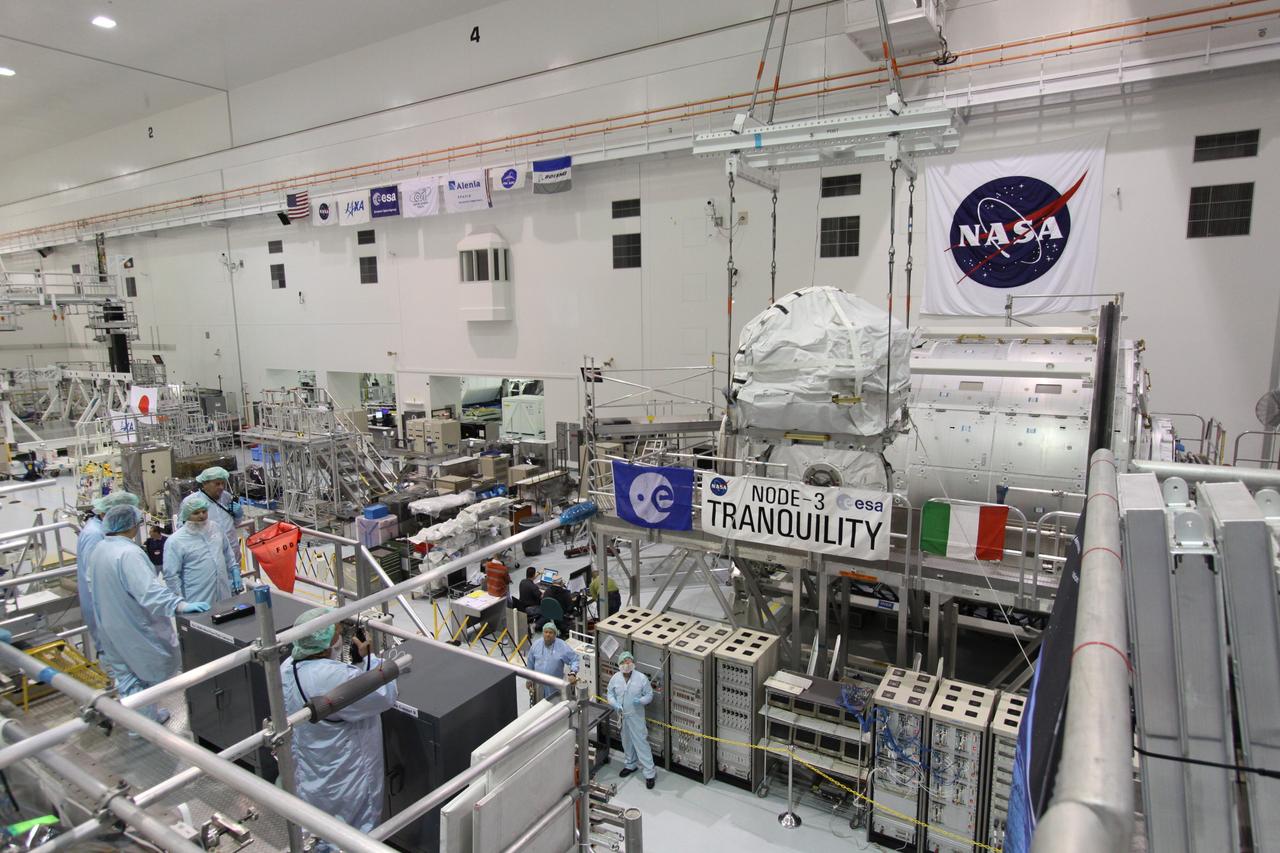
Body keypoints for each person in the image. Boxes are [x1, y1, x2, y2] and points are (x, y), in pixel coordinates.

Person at [281, 607, 398, 849]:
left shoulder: (286, 666)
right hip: (344, 775)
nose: (339, 639)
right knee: (351, 836)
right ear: (325, 643)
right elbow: (383, 694)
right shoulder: (335, 677)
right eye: (336, 634)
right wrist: (370, 659)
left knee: (317, 828)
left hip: (312, 767)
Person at [89, 504, 209, 726]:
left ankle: (138, 723)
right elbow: (149, 592)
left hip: (110, 624)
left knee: (126, 676)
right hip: (134, 625)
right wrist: (179, 605)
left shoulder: (101, 549)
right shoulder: (129, 554)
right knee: (144, 676)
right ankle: (146, 723)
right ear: (132, 526)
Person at [77, 491, 140, 649]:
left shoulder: (105, 530)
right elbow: (95, 577)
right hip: (106, 609)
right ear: (106, 512)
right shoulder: (95, 535)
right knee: (115, 654)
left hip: (113, 608)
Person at [164, 494, 240, 604]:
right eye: (196, 513)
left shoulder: (215, 528)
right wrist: (180, 602)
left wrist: (234, 570)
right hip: (197, 597)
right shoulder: (176, 541)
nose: (201, 515)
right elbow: (171, 576)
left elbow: (227, 552)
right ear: (186, 515)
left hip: (223, 592)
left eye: (204, 511)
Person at [607, 651, 656, 789]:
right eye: (624, 662)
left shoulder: (641, 678)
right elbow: (610, 693)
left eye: (629, 661)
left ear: (633, 663)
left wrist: (641, 700)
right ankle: (630, 764)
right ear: (619, 664)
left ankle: (649, 773)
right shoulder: (615, 678)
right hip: (622, 716)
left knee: (641, 743)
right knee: (626, 741)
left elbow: (649, 695)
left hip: (636, 716)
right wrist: (615, 703)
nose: (627, 664)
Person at [193, 467, 244, 593]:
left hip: (232, 558)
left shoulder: (226, 497)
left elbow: (234, 524)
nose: (221, 487)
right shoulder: (194, 503)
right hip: (210, 562)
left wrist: (238, 515)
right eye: (217, 484)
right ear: (205, 484)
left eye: (223, 483)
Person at [526, 623, 579, 701]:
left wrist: (573, 673)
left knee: (554, 708)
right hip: (538, 685)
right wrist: (529, 679)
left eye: (550, 633)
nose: (548, 635)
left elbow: (574, 659)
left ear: (555, 634)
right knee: (539, 707)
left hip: (554, 686)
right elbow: (530, 663)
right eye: (546, 632)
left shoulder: (562, 646)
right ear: (543, 633)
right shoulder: (536, 645)